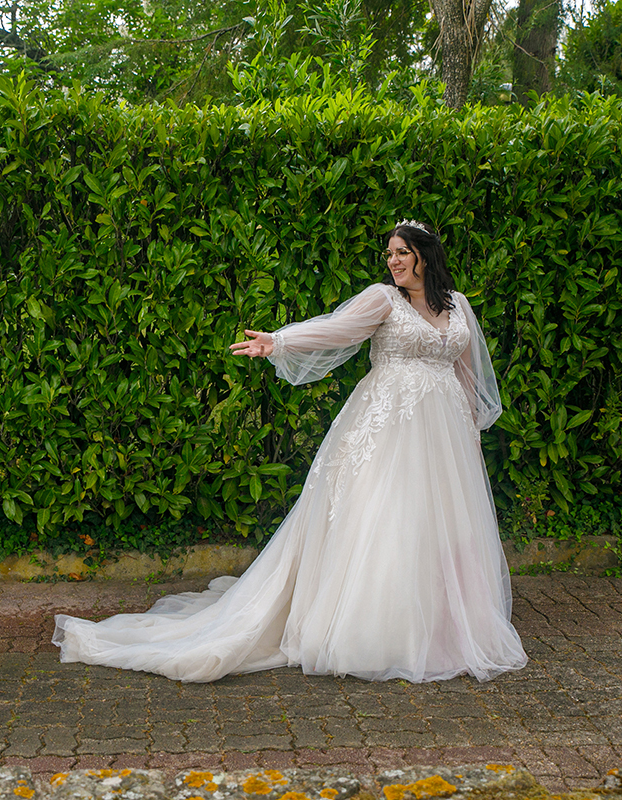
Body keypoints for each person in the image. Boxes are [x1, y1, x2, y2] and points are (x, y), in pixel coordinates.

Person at [52, 220, 527, 683]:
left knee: (441, 524)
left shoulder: (458, 305)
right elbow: (336, 330)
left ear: (426, 254)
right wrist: (279, 342)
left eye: (402, 252)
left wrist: (469, 429)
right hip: (389, 428)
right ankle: (380, 632)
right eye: (389, 253)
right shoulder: (383, 299)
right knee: (389, 519)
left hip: (443, 436)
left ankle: (447, 627)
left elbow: (467, 373)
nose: (393, 261)